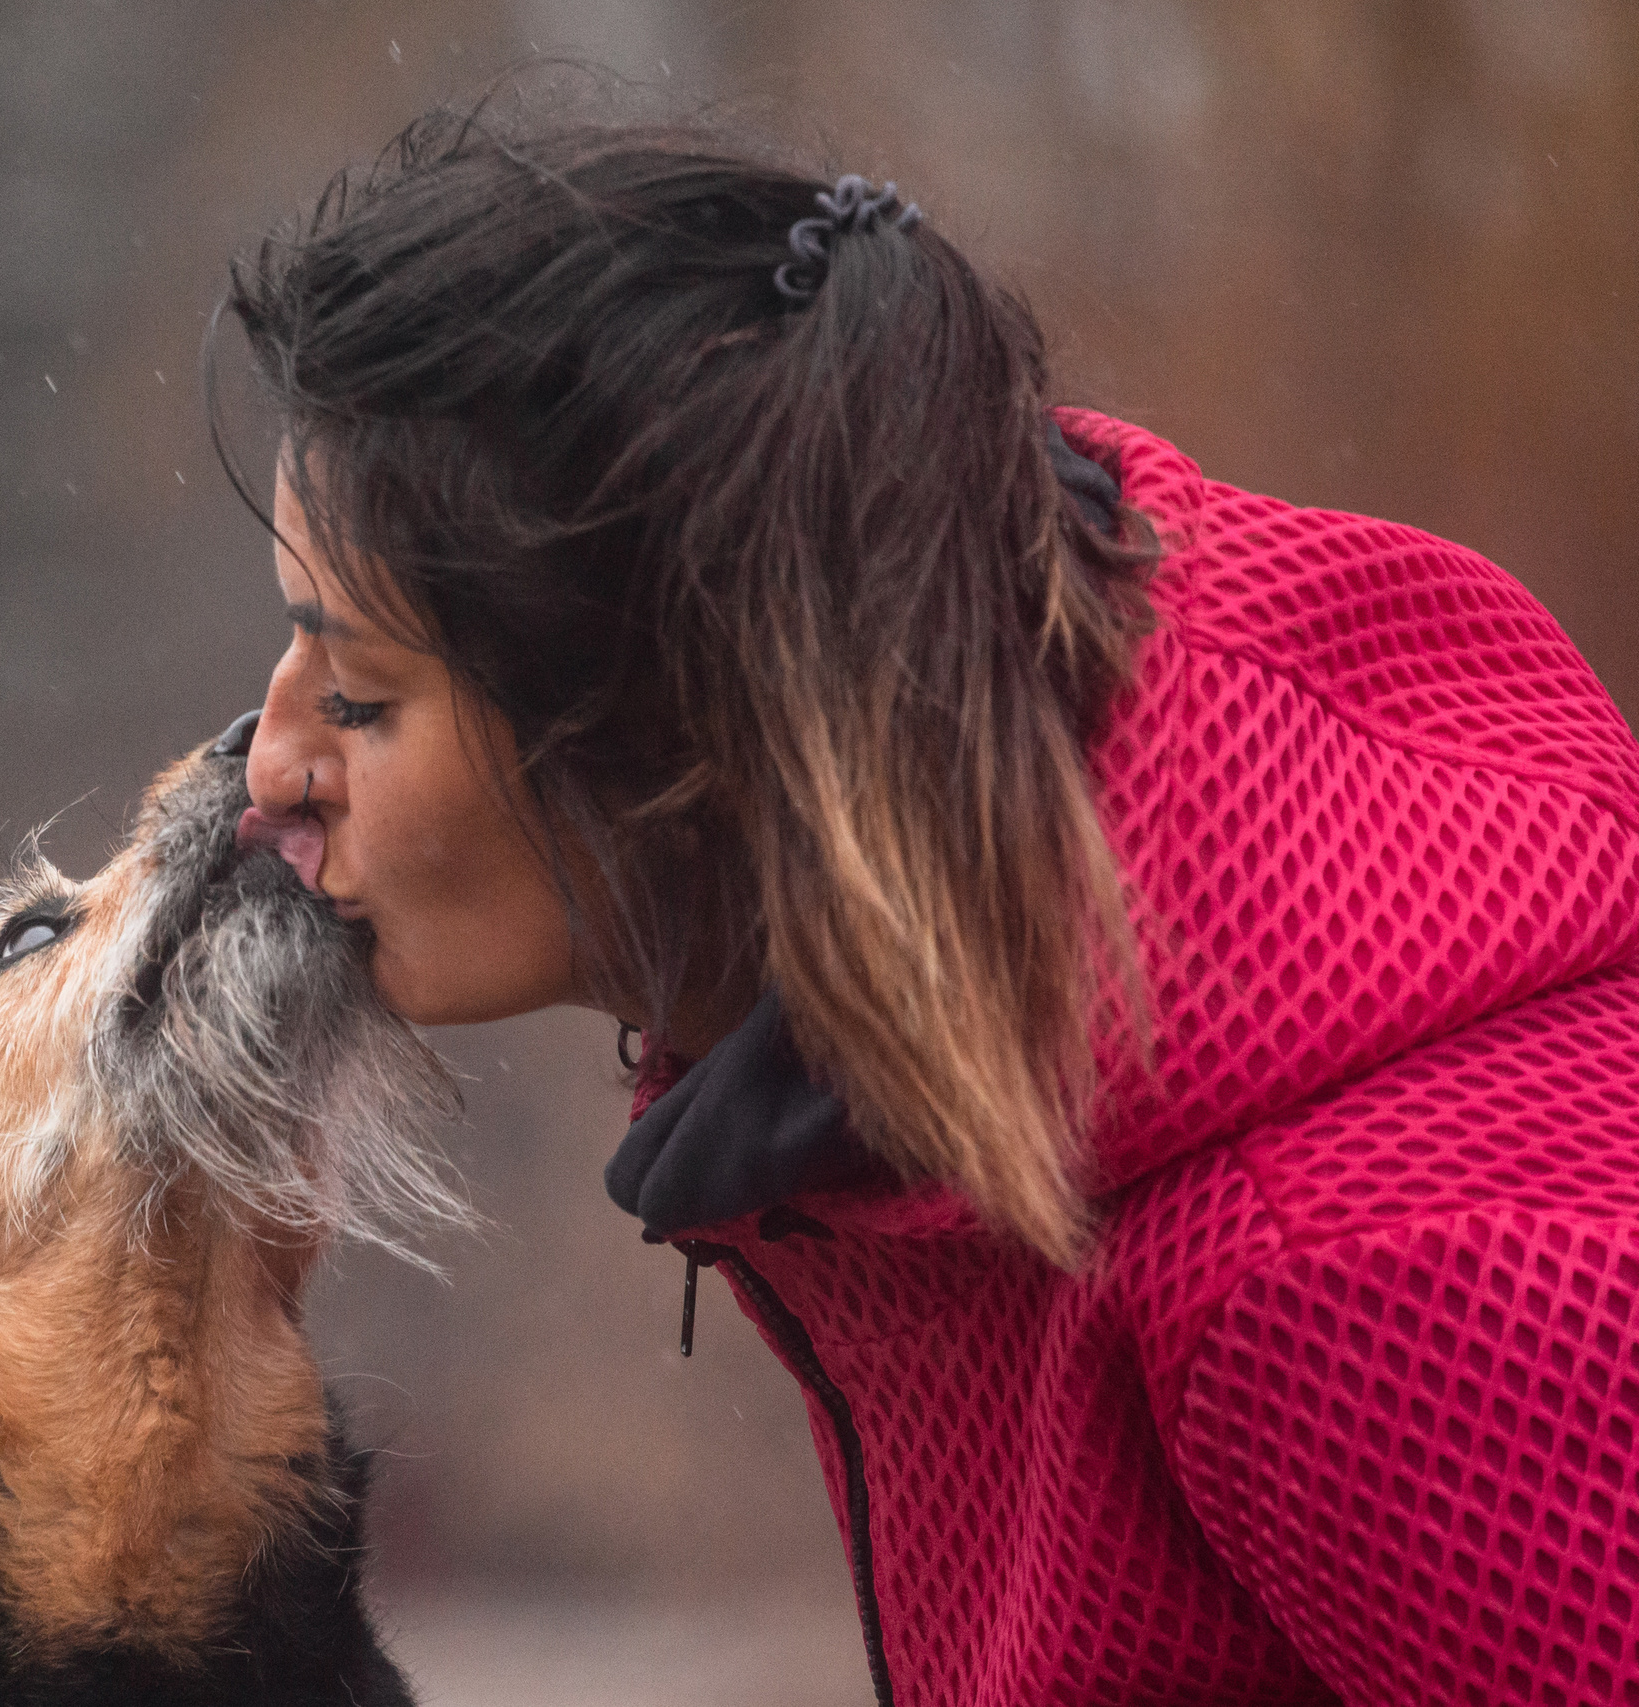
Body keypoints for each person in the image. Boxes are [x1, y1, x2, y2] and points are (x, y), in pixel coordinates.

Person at [221, 101, 1639, 1707]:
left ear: (682, 727)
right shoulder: (922, 1110)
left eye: (359, 694)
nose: (266, 769)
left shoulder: (1370, 1285)